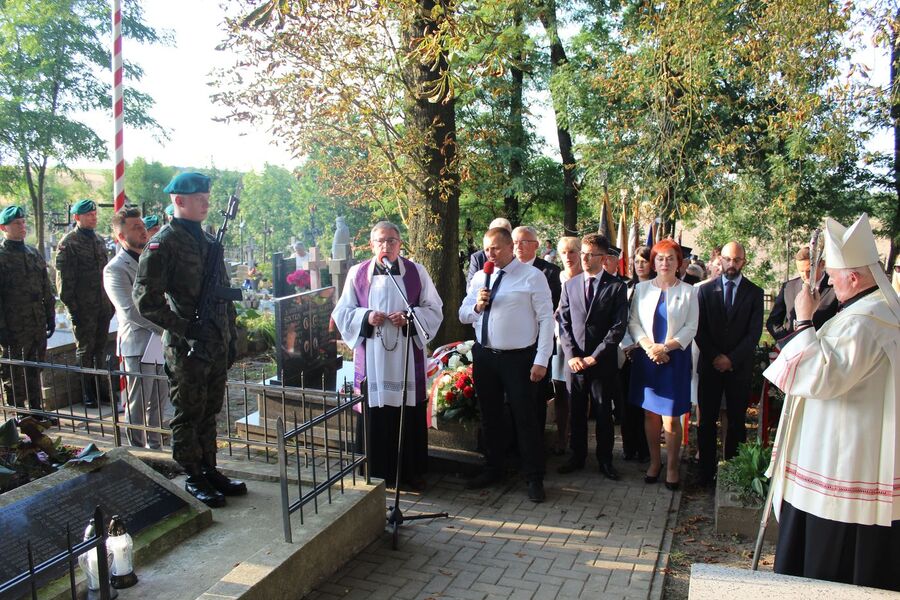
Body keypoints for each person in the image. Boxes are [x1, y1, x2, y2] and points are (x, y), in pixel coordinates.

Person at [764, 214, 900, 591]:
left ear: (853, 278)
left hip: (841, 464)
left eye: (834, 276)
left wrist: (804, 321)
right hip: (849, 451)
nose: (828, 282)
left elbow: (822, 377)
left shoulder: (865, 322)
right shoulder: (874, 311)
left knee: (830, 567)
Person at [134, 172, 245, 507]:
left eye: (207, 198)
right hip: (187, 347)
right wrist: (185, 327)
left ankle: (210, 467)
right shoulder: (163, 244)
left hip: (215, 341)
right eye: (199, 198)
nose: (206, 203)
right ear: (179, 200)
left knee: (210, 410)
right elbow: (146, 301)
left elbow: (223, 294)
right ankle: (192, 475)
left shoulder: (210, 242)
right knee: (188, 412)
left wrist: (231, 336)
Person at [332, 221, 443, 490]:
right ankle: (376, 471)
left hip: (405, 357)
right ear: (371, 245)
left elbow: (434, 309)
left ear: (399, 244)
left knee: (407, 409)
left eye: (392, 241)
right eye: (380, 241)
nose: (386, 246)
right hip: (373, 357)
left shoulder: (416, 272)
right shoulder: (357, 274)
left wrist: (409, 318)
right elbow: (343, 312)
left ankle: (410, 472)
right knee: (376, 409)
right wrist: (367, 316)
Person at [459, 227, 553, 502]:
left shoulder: (532, 276)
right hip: (485, 356)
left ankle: (534, 477)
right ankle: (493, 467)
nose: (491, 254)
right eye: (487, 249)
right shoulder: (480, 277)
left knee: (525, 417)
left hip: (519, 358)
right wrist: (477, 306)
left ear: (511, 247)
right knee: (490, 415)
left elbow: (546, 319)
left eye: (496, 248)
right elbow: (463, 314)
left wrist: (541, 359)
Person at [627, 239, 698, 490]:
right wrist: (650, 347)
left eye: (670, 258)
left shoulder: (689, 291)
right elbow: (633, 322)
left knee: (671, 417)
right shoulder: (642, 289)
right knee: (650, 413)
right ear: (653, 263)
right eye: (660, 258)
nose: (665, 263)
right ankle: (655, 462)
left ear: (679, 263)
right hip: (647, 358)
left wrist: (665, 348)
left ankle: (672, 467)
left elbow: (691, 327)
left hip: (674, 359)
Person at [556, 234, 628, 479]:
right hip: (575, 362)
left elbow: (618, 327)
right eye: (583, 254)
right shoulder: (571, 285)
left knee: (602, 413)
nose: (584, 259)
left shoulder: (616, 287)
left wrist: (595, 356)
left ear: (603, 258)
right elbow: (563, 322)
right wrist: (571, 355)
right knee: (576, 412)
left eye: (590, 255)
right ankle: (577, 456)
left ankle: (605, 460)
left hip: (602, 362)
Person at [694, 241, 764, 486]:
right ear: (720, 260)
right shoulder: (705, 291)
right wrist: (715, 357)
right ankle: (705, 474)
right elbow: (699, 329)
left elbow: (754, 334)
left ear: (744, 261)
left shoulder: (754, 293)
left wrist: (731, 359)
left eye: (736, 260)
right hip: (710, 366)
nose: (731, 264)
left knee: (735, 422)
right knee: (706, 422)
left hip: (738, 369)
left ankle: (733, 474)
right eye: (727, 259)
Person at [104, 207, 168, 449]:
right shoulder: (115, 269)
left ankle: (157, 445)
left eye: (142, 226)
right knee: (138, 400)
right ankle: (138, 450)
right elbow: (130, 311)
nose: (142, 231)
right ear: (121, 236)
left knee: (160, 398)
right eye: (135, 227)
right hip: (139, 342)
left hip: (161, 340)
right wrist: (165, 328)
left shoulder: (152, 260)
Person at [56, 199, 116, 409]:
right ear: (77, 217)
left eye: (94, 214)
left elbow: (106, 274)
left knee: (100, 349)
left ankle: (101, 390)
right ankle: (87, 392)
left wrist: (110, 304)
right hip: (83, 308)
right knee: (85, 350)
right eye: (88, 215)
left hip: (102, 306)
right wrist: (73, 308)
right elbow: (64, 281)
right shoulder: (69, 243)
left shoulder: (98, 240)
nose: (93, 217)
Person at [0, 205, 56, 413]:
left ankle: (37, 411)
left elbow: (46, 288)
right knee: (13, 370)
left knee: (35, 368)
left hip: (36, 322)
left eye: (23, 222)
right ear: (3, 228)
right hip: (14, 325)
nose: (22, 226)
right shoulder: (2, 257)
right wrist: (1, 327)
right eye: (16, 223)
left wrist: (50, 315)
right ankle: (19, 413)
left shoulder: (33, 253)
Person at [512, 225, 561, 438]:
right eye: (515, 242)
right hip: (511, 345)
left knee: (536, 396)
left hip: (539, 344)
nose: (518, 246)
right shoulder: (506, 270)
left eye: (524, 242)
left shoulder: (550, 272)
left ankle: (536, 441)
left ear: (536, 245)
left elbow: (551, 309)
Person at [619, 246, 653, 462]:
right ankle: (629, 446)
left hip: (649, 352)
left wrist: (643, 345)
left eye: (644, 261)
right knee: (627, 403)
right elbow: (620, 319)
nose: (640, 265)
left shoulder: (657, 288)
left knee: (646, 405)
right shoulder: (626, 287)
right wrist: (627, 345)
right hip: (627, 354)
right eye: (637, 261)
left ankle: (645, 449)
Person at [549, 236, 581, 455]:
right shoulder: (555, 278)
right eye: (564, 252)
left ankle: (577, 437)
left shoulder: (586, 278)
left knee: (579, 392)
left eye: (572, 252)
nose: (568, 257)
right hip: (558, 341)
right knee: (560, 390)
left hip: (580, 343)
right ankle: (561, 437)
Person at [766, 246, 838, 341]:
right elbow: (773, 322)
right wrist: (786, 341)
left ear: (822, 264)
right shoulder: (788, 287)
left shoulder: (836, 288)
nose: (805, 275)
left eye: (809, 271)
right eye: (801, 271)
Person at [466, 217, 512, 285]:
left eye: (505, 233)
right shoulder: (478, 260)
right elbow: (471, 288)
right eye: (487, 250)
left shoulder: (520, 258)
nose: (491, 254)